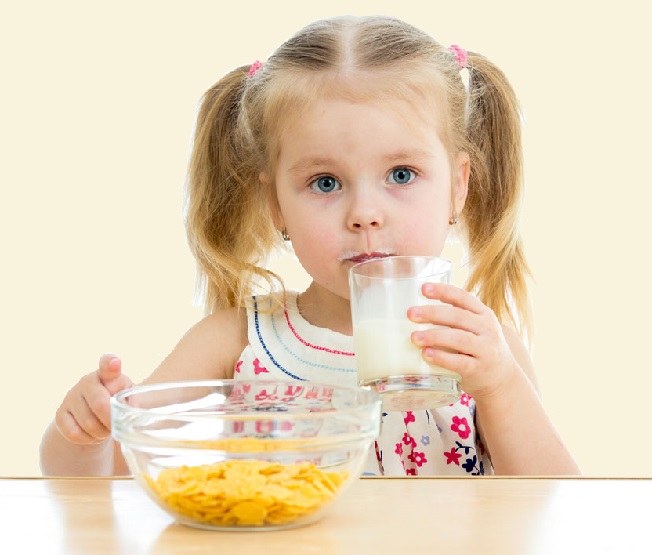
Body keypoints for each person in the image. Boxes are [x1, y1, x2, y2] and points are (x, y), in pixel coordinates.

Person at [40, 15, 580, 477]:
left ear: (457, 186)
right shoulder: (238, 342)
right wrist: (84, 438)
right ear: (275, 205)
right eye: (325, 182)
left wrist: (500, 385)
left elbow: (558, 501)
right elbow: (107, 475)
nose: (365, 214)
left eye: (401, 173)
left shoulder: (478, 346)